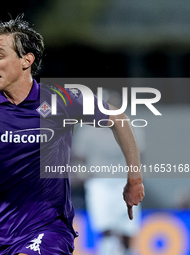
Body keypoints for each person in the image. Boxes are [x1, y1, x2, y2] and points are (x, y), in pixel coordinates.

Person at [0, 14, 144, 255]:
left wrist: (135, 179)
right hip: (3, 238)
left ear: (26, 60)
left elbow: (118, 119)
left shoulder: (60, 100)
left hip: (52, 230)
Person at [71, 90, 146, 255]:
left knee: (128, 226)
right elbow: (78, 157)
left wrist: (136, 178)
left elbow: (140, 155)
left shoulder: (131, 126)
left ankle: (128, 251)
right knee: (105, 225)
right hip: (99, 182)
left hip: (124, 181)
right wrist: (81, 175)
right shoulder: (88, 130)